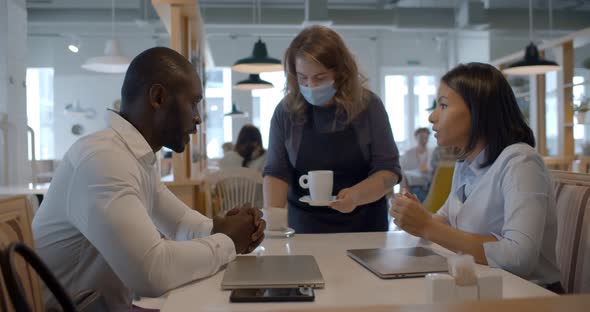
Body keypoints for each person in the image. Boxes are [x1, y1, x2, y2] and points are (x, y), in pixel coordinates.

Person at [32, 47, 266, 311]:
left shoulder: (133, 157)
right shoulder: (103, 159)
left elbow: (180, 224)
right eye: (193, 102)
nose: (198, 117)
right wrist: (228, 241)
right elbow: (152, 272)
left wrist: (226, 227)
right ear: (158, 97)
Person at [390, 63, 560, 289]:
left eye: (443, 105)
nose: (432, 117)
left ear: (478, 110)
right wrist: (417, 218)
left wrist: (427, 227)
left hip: (529, 295)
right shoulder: (466, 164)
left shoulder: (521, 161)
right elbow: (443, 222)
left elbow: (520, 258)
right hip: (483, 288)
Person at [263, 25, 401, 234]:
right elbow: (276, 172)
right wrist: (272, 225)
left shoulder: (369, 107)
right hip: (304, 229)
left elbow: (389, 171)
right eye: (302, 78)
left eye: (320, 78)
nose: (310, 85)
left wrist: (356, 196)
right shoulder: (286, 112)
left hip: (365, 229)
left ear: (341, 72)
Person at [400, 127, 432, 202]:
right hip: (415, 186)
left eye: (426, 137)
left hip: (430, 186)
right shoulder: (408, 154)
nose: (424, 140)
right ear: (416, 137)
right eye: (421, 137)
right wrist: (403, 190)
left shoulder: (433, 153)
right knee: (418, 193)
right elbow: (403, 174)